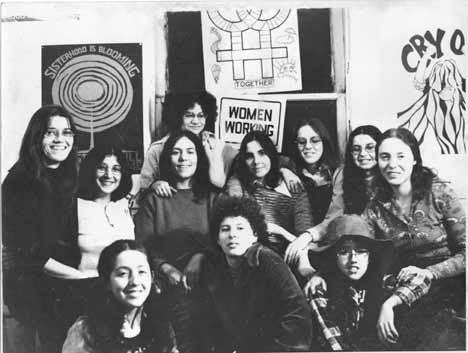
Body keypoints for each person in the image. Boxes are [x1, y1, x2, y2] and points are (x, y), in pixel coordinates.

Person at [363, 127, 466, 350]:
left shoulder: (439, 193)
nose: (392, 164)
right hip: (405, 284)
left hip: (448, 282)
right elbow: (362, 246)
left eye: (401, 156)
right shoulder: (375, 206)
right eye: (385, 157)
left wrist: (431, 272)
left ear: (414, 159)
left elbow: (466, 253)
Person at [2, 105, 84, 353]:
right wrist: (84, 279)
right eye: (51, 132)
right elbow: (31, 254)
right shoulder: (19, 182)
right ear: (36, 138)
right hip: (32, 293)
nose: (61, 140)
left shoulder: (71, 176)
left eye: (67, 132)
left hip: (66, 286)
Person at [184, 196, 313, 352]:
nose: (232, 235)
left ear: (255, 235)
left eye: (240, 228)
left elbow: (297, 316)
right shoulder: (215, 267)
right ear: (217, 239)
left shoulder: (267, 260)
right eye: (225, 229)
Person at [285, 125, 382, 265]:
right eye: (356, 149)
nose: (362, 154)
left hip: (383, 245)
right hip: (354, 250)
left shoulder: (389, 174)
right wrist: (307, 236)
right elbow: (334, 216)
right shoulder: (343, 173)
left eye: (370, 147)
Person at [135, 130, 218, 290]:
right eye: (176, 152)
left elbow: (220, 241)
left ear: (199, 157)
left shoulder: (212, 198)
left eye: (190, 152)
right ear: (168, 159)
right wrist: (165, 268)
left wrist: (201, 257)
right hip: (164, 284)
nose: (183, 158)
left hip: (208, 282)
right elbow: (142, 245)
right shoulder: (154, 200)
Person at [62, 239, 172, 353]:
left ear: (152, 277)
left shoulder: (160, 323)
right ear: (107, 282)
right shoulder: (86, 330)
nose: (134, 281)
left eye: (142, 272)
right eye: (123, 274)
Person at [305, 215, 396, 351]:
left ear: (369, 256)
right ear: (333, 257)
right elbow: (335, 345)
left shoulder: (381, 280)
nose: (353, 259)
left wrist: (390, 304)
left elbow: (419, 279)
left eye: (360, 251)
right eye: (344, 252)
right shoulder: (320, 290)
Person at [225, 130, 314, 258]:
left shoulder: (293, 186)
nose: (256, 161)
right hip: (251, 255)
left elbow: (304, 236)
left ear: (271, 154)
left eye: (262, 153)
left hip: (288, 255)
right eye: (250, 156)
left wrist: (280, 232)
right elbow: (238, 224)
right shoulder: (239, 184)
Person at [139, 91, 237, 194]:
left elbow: (241, 168)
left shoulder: (217, 145)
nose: (196, 121)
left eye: (201, 116)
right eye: (189, 115)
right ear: (177, 116)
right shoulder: (157, 149)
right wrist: (154, 185)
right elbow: (143, 190)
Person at [77, 144, 134, 278]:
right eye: (102, 168)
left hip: (123, 289)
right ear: (91, 170)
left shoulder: (123, 206)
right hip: (86, 286)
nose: (109, 175)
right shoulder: (75, 207)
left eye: (116, 169)